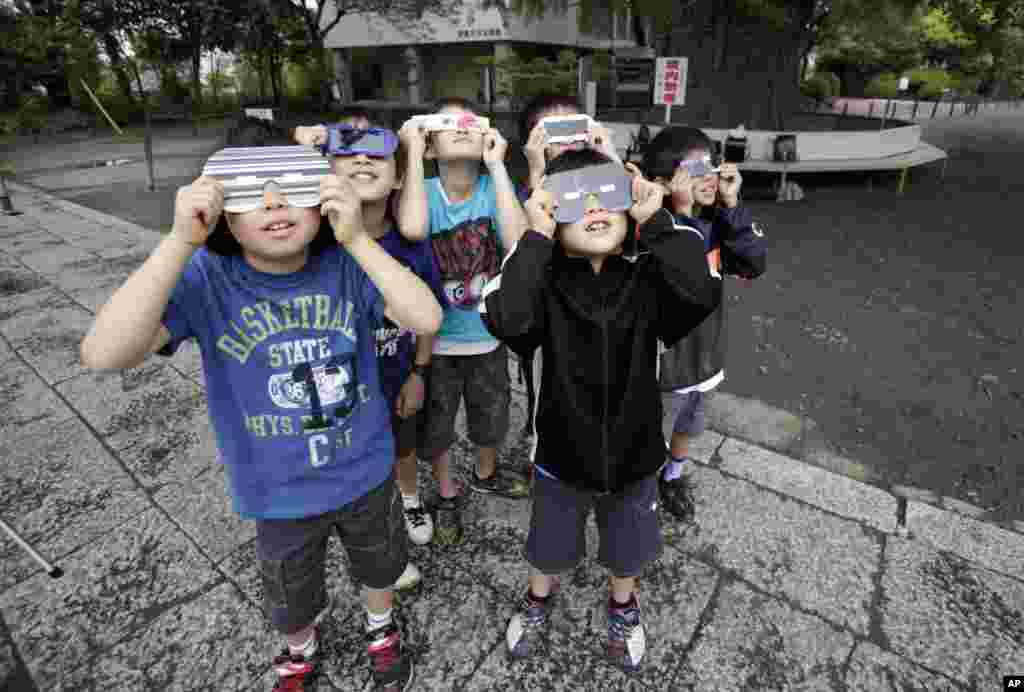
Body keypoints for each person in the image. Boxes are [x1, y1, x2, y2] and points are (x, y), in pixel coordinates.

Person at [79, 121, 442, 692]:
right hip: (277, 491)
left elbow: (425, 319)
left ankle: (381, 627)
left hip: (366, 472)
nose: (274, 201)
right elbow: (103, 354)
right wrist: (177, 242)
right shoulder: (208, 277)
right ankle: (300, 648)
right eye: (249, 190)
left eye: (291, 185)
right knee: (290, 592)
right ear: (222, 208)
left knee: (381, 567)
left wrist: (357, 240)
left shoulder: (349, 264)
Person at [480, 148, 721, 670]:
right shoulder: (541, 280)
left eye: (607, 194)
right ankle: (538, 597)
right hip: (561, 457)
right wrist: (535, 238)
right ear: (550, 211)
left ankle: (623, 603)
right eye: (571, 198)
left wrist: (657, 221)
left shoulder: (648, 278)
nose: (592, 206)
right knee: (548, 544)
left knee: (628, 548)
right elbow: (506, 318)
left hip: (636, 457)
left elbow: (701, 293)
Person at [295, 112, 447, 549]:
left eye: (377, 154)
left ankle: (410, 496)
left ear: (399, 178)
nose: (363, 160)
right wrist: (302, 147)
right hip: (337, 389)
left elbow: (428, 315)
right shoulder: (313, 246)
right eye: (348, 152)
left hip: (397, 375)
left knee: (404, 448)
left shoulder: (411, 246)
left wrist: (419, 373)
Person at [398, 96, 531, 546]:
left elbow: (516, 240)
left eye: (470, 123)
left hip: (487, 338)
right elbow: (414, 228)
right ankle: (447, 492)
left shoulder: (495, 190)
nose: (460, 127)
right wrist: (414, 154)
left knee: (492, 415)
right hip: (434, 344)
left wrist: (497, 167)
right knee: (437, 427)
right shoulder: (423, 193)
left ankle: (484, 472)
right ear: (431, 142)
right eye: (446, 123)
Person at [640, 126, 767, 521]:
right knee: (648, 434)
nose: (709, 176)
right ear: (664, 181)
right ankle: (642, 487)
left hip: (706, 360)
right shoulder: (652, 231)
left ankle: (673, 475)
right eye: (694, 169)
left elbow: (753, 263)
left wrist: (732, 205)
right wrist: (677, 212)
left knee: (688, 426)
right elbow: (681, 270)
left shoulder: (718, 225)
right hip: (664, 368)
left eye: (711, 165)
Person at [513, 94, 622, 440]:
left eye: (576, 129)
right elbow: (520, 252)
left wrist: (610, 155)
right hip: (550, 333)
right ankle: (540, 446)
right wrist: (535, 172)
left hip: (611, 323)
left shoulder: (607, 185)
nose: (570, 142)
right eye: (553, 133)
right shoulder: (527, 194)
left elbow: (635, 226)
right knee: (552, 404)